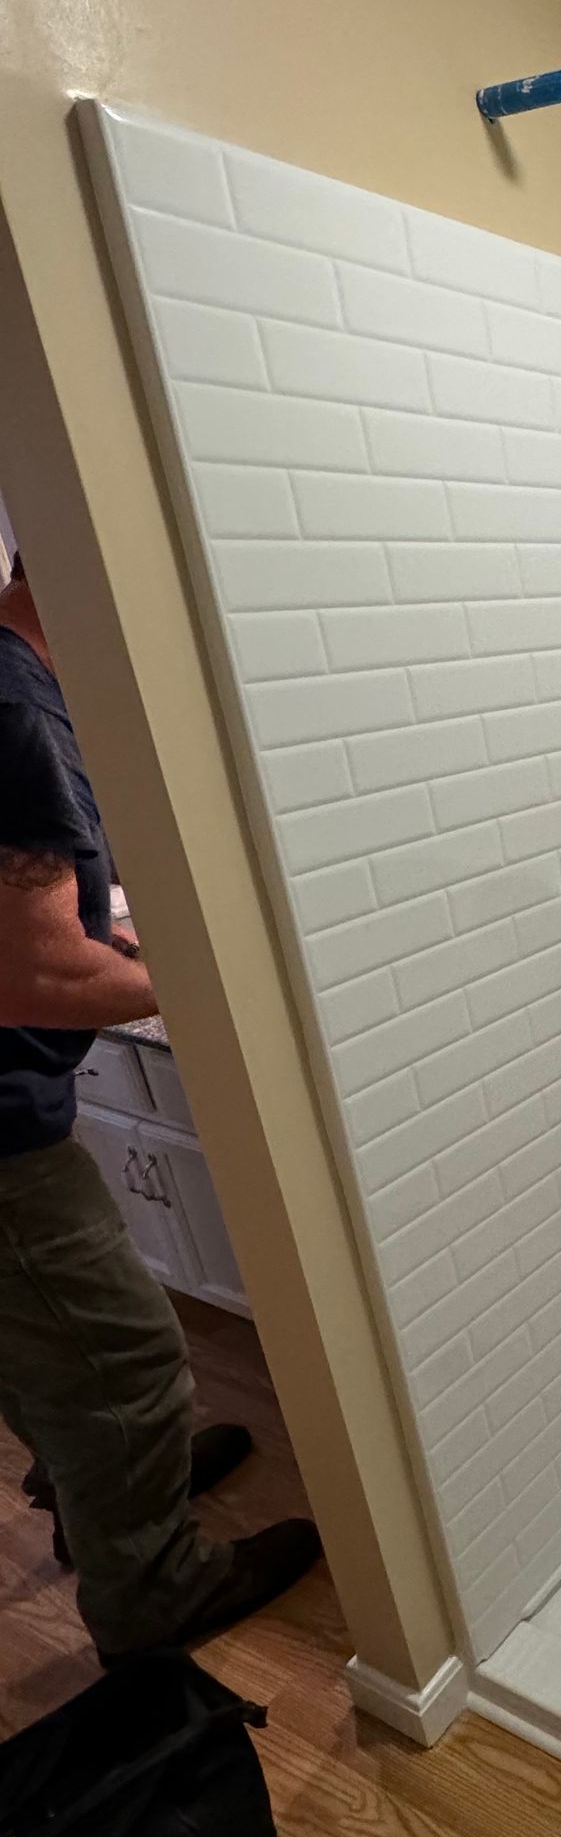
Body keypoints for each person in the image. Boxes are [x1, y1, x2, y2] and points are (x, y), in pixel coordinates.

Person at [0, 551, 319, 1660]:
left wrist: (119, 946)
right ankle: (154, 1591)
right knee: (127, 1360)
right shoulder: (15, 705)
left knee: (36, 1340)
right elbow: (35, 977)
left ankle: (97, 1486)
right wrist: (204, 972)